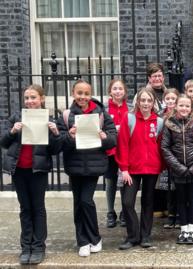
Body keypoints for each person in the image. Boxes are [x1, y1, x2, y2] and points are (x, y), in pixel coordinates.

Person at [0, 84, 62, 265]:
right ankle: (26, 247)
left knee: (38, 208)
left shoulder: (49, 119)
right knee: (25, 209)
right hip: (19, 170)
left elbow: (56, 150)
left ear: (41, 99)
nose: (29, 101)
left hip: (38, 171)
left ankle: (38, 247)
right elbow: (3, 142)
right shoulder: (16, 118)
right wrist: (13, 131)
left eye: (33, 97)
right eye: (27, 98)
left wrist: (55, 133)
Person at [56, 80, 117, 257]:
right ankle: (82, 241)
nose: (82, 97)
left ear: (91, 95)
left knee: (85, 200)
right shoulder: (67, 116)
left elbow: (113, 140)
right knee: (78, 203)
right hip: (74, 165)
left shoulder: (101, 115)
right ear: (73, 94)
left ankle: (95, 238)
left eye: (86, 93)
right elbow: (58, 143)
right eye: (79, 93)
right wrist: (69, 135)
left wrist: (104, 137)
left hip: (93, 165)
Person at [116, 88, 164, 250]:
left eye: (149, 101)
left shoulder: (159, 122)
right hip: (131, 169)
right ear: (138, 102)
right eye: (142, 100)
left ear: (153, 103)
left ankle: (145, 236)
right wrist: (124, 169)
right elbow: (122, 144)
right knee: (127, 202)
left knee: (148, 203)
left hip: (152, 168)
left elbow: (160, 146)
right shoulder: (129, 119)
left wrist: (161, 167)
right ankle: (133, 236)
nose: (145, 103)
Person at [161, 94, 193, 244]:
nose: (184, 108)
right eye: (181, 105)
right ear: (175, 106)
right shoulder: (169, 124)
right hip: (178, 170)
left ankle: (192, 230)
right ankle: (184, 229)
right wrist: (179, 167)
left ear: (191, 107)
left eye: (187, 106)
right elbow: (165, 148)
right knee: (181, 200)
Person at [104, 79, 130, 229]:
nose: (118, 91)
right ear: (110, 91)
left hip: (126, 150)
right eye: (115, 88)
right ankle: (110, 212)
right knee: (110, 182)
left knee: (124, 182)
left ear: (125, 91)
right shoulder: (104, 109)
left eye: (120, 88)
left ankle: (123, 212)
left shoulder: (131, 107)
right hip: (110, 150)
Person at [160, 88, 180, 229]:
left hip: (178, 154)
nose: (171, 101)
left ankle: (178, 215)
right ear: (164, 100)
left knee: (178, 187)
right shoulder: (161, 116)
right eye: (168, 99)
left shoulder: (180, 115)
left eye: (173, 99)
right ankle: (171, 214)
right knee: (169, 187)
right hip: (166, 154)